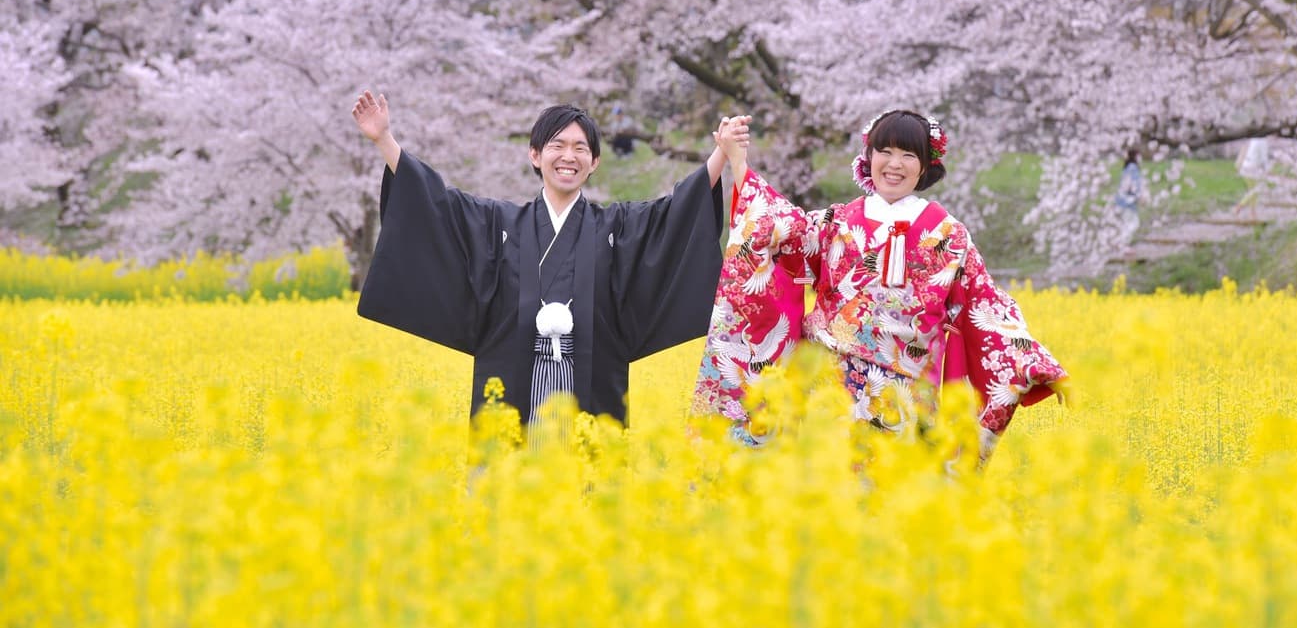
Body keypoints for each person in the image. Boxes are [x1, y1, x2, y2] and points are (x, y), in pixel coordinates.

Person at [692, 110, 1068, 467]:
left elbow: (984, 303)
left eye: (908, 154)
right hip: (823, 384)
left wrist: (1034, 363)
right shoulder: (836, 221)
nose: (894, 164)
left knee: (884, 503)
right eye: (884, 152)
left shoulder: (948, 234)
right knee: (819, 495)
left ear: (925, 165)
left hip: (900, 392)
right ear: (868, 157)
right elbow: (774, 227)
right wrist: (737, 160)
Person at [352, 90, 734, 430]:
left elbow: (674, 216)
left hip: (590, 391)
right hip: (511, 386)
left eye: (580, 148)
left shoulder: (618, 227)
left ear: (595, 161)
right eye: (557, 145)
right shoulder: (497, 223)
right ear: (535, 155)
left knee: (587, 494)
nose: (569, 156)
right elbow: (436, 205)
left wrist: (721, 153)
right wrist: (385, 140)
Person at [1115, 149, 1143, 244]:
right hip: (1127, 201)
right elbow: (1132, 184)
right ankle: (1122, 243)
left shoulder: (1128, 167)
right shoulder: (1133, 168)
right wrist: (1138, 196)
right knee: (1133, 223)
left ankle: (1123, 243)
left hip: (1124, 200)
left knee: (1128, 223)